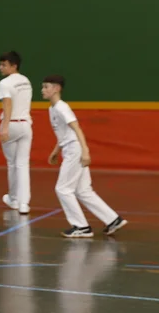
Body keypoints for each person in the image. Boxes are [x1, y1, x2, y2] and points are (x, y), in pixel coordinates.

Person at [41, 75, 127, 238]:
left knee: (63, 189)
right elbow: (64, 133)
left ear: (57, 89)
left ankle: (81, 227)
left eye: (46, 87)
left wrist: (85, 151)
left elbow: (77, 128)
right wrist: (56, 150)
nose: (42, 90)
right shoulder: (52, 108)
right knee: (83, 190)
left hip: (75, 150)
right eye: (43, 87)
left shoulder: (62, 108)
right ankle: (113, 220)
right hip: (69, 148)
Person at [0, 51, 33, 215]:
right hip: (26, 125)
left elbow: (7, 105)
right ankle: (24, 203)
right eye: (0, 64)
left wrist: (5, 127)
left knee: (12, 164)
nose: (0, 68)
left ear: (14, 66)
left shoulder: (4, 83)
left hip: (11, 124)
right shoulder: (26, 81)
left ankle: (14, 199)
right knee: (23, 164)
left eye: (4, 65)